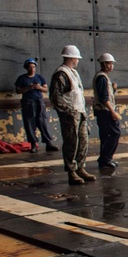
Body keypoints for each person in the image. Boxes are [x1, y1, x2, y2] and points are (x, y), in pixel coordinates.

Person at [50, 45, 95, 185]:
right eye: (77, 58)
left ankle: (80, 168)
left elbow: (77, 96)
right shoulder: (61, 74)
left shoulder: (73, 73)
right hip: (70, 115)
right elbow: (55, 97)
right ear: (72, 58)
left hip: (79, 113)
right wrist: (67, 112)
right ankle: (71, 171)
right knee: (71, 143)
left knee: (83, 142)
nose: (78, 61)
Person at [14, 59, 58, 153]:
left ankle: (48, 143)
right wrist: (28, 88)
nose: (32, 69)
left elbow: (46, 89)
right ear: (26, 68)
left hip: (39, 102)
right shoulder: (22, 78)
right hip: (28, 103)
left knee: (43, 123)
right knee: (30, 124)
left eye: (33, 67)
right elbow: (18, 90)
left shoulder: (40, 77)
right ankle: (33, 144)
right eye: (30, 67)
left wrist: (39, 87)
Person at [92, 53, 121, 169]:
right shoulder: (102, 78)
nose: (111, 66)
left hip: (101, 110)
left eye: (112, 64)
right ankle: (106, 158)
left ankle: (104, 160)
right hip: (104, 111)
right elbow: (104, 98)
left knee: (105, 135)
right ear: (103, 64)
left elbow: (105, 95)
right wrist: (112, 112)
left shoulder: (103, 77)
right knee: (115, 133)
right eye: (109, 63)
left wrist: (113, 89)